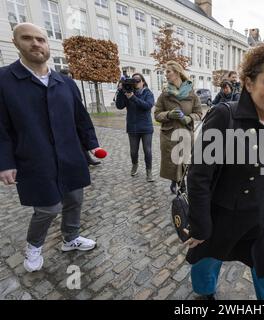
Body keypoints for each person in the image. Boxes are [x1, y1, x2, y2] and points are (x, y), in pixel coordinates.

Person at [185, 42, 264, 300]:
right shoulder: (224, 116)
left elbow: (263, 171)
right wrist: (200, 225)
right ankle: (204, 297)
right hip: (222, 214)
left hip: (259, 215)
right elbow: (199, 175)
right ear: (248, 83)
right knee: (206, 265)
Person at [0, 23, 101, 272]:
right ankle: (34, 247)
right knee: (47, 207)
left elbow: (81, 117)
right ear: (16, 43)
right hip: (34, 157)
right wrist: (5, 162)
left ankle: (70, 238)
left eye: (41, 39)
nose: (36, 43)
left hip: (70, 155)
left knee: (75, 199)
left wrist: (92, 145)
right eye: (28, 38)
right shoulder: (4, 80)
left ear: (48, 45)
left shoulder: (65, 82)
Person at [154, 61, 202, 194]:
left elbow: (199, 113)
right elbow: (157, 115)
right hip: (169, 134)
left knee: (185, 160)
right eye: (165, 72)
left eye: (168, 72)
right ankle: (176, 182)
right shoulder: (165, 94)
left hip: (186, 132)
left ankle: (183, 183)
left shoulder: (192, 94)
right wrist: (169, 114)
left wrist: (189, 118)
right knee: (174, 161)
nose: (166, 75)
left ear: (177, 72)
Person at [115, 73, 155, 182]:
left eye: (138, 80)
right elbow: (119, 106)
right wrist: (120, 91)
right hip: (132, 127)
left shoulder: (148, 93)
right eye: (134, 80)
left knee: (147, 150)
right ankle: (135, 165)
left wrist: (133, 98)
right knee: (133, 151)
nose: (136, 82)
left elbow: (147, 106)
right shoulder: (127, 92)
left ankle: (149, 172)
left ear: (143, 82)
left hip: (146, 127)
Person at [59, 68, 101, 167]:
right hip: (65, 121)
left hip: (75, 116)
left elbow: (82, 115)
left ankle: (88, 159)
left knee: (80, 139)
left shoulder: (71, 84)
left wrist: (93, 145)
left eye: (71, 77)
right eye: (68, 77)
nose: (70, 79)